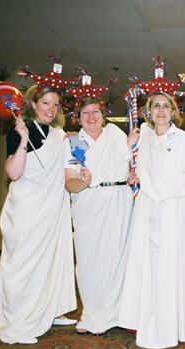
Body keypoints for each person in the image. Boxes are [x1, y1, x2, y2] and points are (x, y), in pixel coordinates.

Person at [118, 92, 185, 349]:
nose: (160, 110)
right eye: (155, 106)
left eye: (165, 106)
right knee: (148, 262)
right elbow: (133, 166)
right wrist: (129, 148)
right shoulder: (142, 136)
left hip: (176, 206)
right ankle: (147, 318)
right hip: (148, 205)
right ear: (148, 111)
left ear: (173, 111)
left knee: (172, 263)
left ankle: (172, 324)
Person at [0, 86, 77, 345]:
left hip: (53, 209)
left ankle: (50, 310)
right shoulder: (19, 131)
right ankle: (16, 320)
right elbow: (14, 173)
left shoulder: (58, 134)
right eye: (46, 103)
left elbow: (63, 168)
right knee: (23, 265)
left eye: (55, 105)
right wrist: (23, 142)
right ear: (33, 104)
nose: (51, 109)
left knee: (52, 260)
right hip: (28, 211)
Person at [64, 97, 133, 335]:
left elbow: (131, 165)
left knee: (117, 258)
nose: (91, 117)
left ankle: (117, 313)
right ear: (78, 117)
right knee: (89, 261)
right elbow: (69, 184)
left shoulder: (116, 135)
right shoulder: (73, 142)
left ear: (104, 115)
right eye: (85, 113)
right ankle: (93, 314)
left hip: (119, 200)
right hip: (88, 202)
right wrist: (82, 182)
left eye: (95, 112)